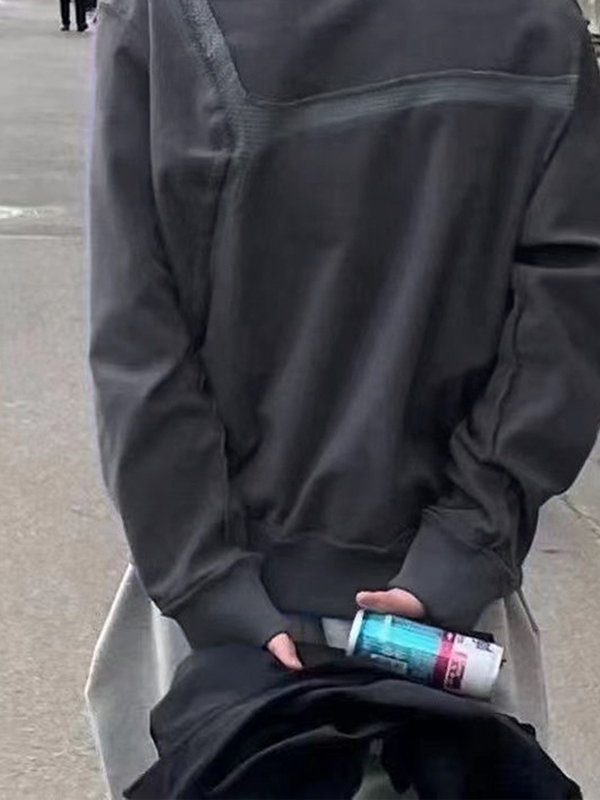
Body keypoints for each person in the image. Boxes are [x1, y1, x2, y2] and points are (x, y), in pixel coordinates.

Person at [85, 0, 600, 797]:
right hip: (445, 616)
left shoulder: (162, 15)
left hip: (226, 618)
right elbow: (565, 320)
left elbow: (137, 330)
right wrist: (461, 551)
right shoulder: (540, 24)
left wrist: (205, 579)